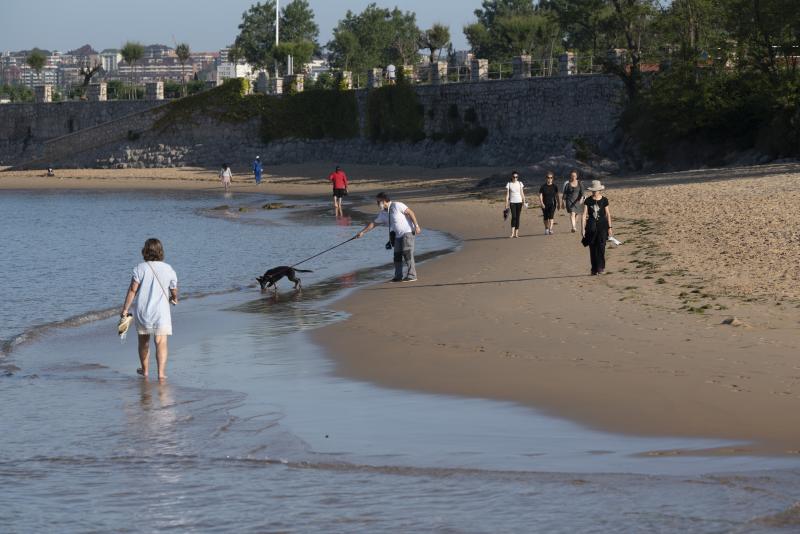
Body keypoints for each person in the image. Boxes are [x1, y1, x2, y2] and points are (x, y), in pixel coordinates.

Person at [120, 238, 179, 381]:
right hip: (161, 312)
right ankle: (161, 374)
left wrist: (125, 309)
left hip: (143, 310)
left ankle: (145, 371)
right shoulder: (168, 268)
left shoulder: (140, 268)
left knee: (144, 341)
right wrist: (174, 298)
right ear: (160, 251)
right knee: (161, 342)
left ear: (145, 251)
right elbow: (174, 288)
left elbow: (133, 290)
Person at [356, 192, 422, 282]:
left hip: (408, 232)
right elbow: (374, 224)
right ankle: (398, 277)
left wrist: (417, 226)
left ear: (384, 201)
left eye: (378, 202)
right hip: (397, 236)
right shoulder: (383, 213)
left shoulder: (397, 205)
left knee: (407, 254)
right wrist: (362, 232)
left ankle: (412, 275)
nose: (378, 204)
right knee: (397, 256)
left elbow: (411, 213)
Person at [582, 180, 614, 275]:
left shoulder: (604, 200)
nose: (594, 192)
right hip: (591, 226)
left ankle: (601, 267)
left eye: (596, 190)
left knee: (601, 247)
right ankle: (594, 269)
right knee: (592, 248)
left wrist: (610, 227)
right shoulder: (587, 200)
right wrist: (582, 229)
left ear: (600, 190)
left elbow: (608, 214)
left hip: (602, 226)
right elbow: (584, 215)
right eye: (593, 190)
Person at [504, 171, 526, 238]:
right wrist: (506, 203)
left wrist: (524, 201)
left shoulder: (520, 183)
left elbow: (522, 193)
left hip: (519, 202)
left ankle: (516, 234)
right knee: (514, 217)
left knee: (518, 217)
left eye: (516, 177)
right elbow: (507, 195)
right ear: (512, 177)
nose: (515, 178)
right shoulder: (509, 184)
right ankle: (512, 233)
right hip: (512, 202)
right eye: (514, 177)